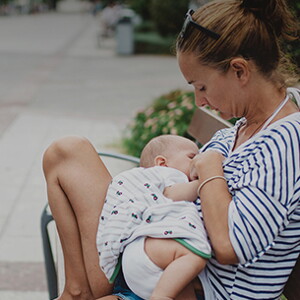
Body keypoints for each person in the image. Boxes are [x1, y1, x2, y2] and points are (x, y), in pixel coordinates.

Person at [42, 0, 300, 299]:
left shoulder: (286, 142)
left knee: (68, 153)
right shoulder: (241, 128)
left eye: (201, 87)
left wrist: (208, 165)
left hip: (186, 286)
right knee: (66, 153)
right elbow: (184, 179)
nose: (199, 102)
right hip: (152, 254)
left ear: (239, 71)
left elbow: (230, 246)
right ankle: (76, 290)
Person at [97, 134, 211, 300]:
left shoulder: (151, 178)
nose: (196, 163)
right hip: (145, 255)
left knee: (183, 283)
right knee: (194, 256)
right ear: (162, 163)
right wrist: (207, 179)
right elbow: (173, 194)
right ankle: (161, 296)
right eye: (191, 157)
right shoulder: (167, 174)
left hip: (142, 267)